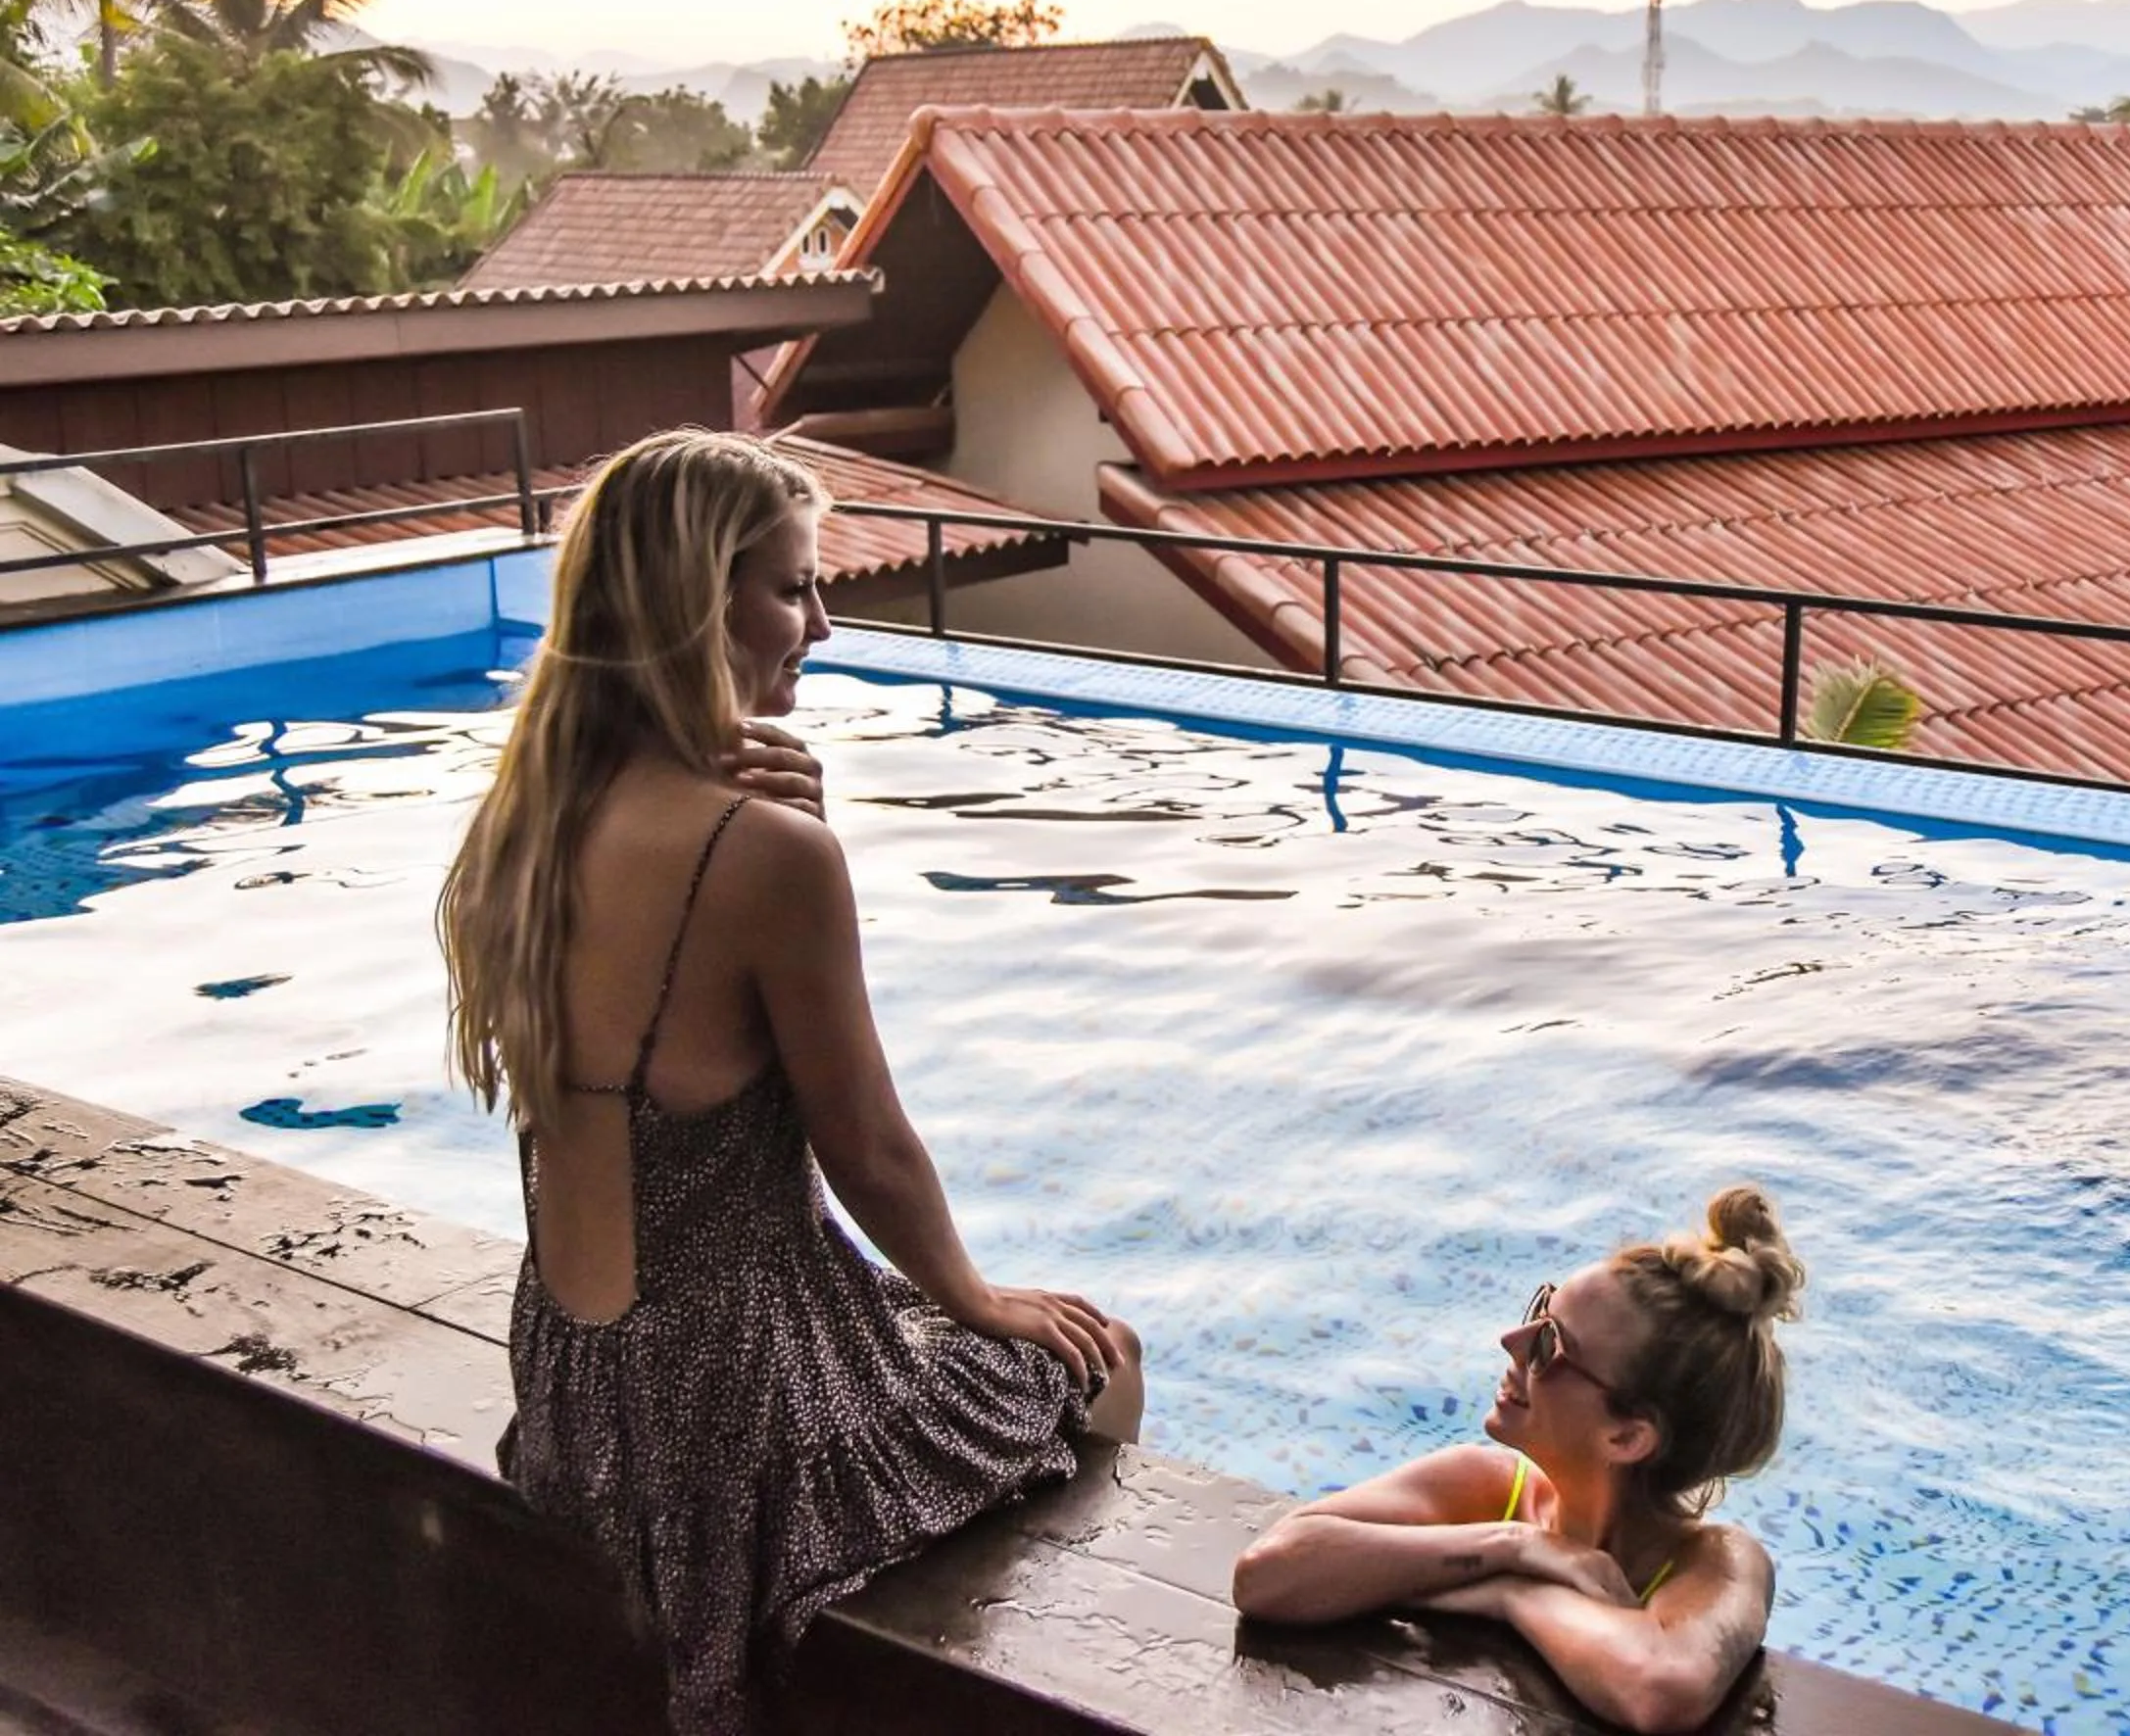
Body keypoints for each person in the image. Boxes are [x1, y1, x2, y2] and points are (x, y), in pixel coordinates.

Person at [437, 427, 1141, 1733]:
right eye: (792, 587)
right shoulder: (761, 856)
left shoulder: (523, 828)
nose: (822, 621)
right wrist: (982, 1302)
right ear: (697, 606)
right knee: (1097, 1355)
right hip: (733, 1409)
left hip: (576, 1395)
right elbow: (867, 1145)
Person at [1233, 1187, 1804, 1734]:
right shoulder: (1487, 1490)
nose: (1513, 1341)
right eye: (1539, 1308)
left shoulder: (1715, 1563)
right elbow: (1267, 1573)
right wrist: (1516, 1547)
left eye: (1550, 1344)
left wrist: (1510, 1593)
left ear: (1626, 1437)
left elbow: (1658, 1690)